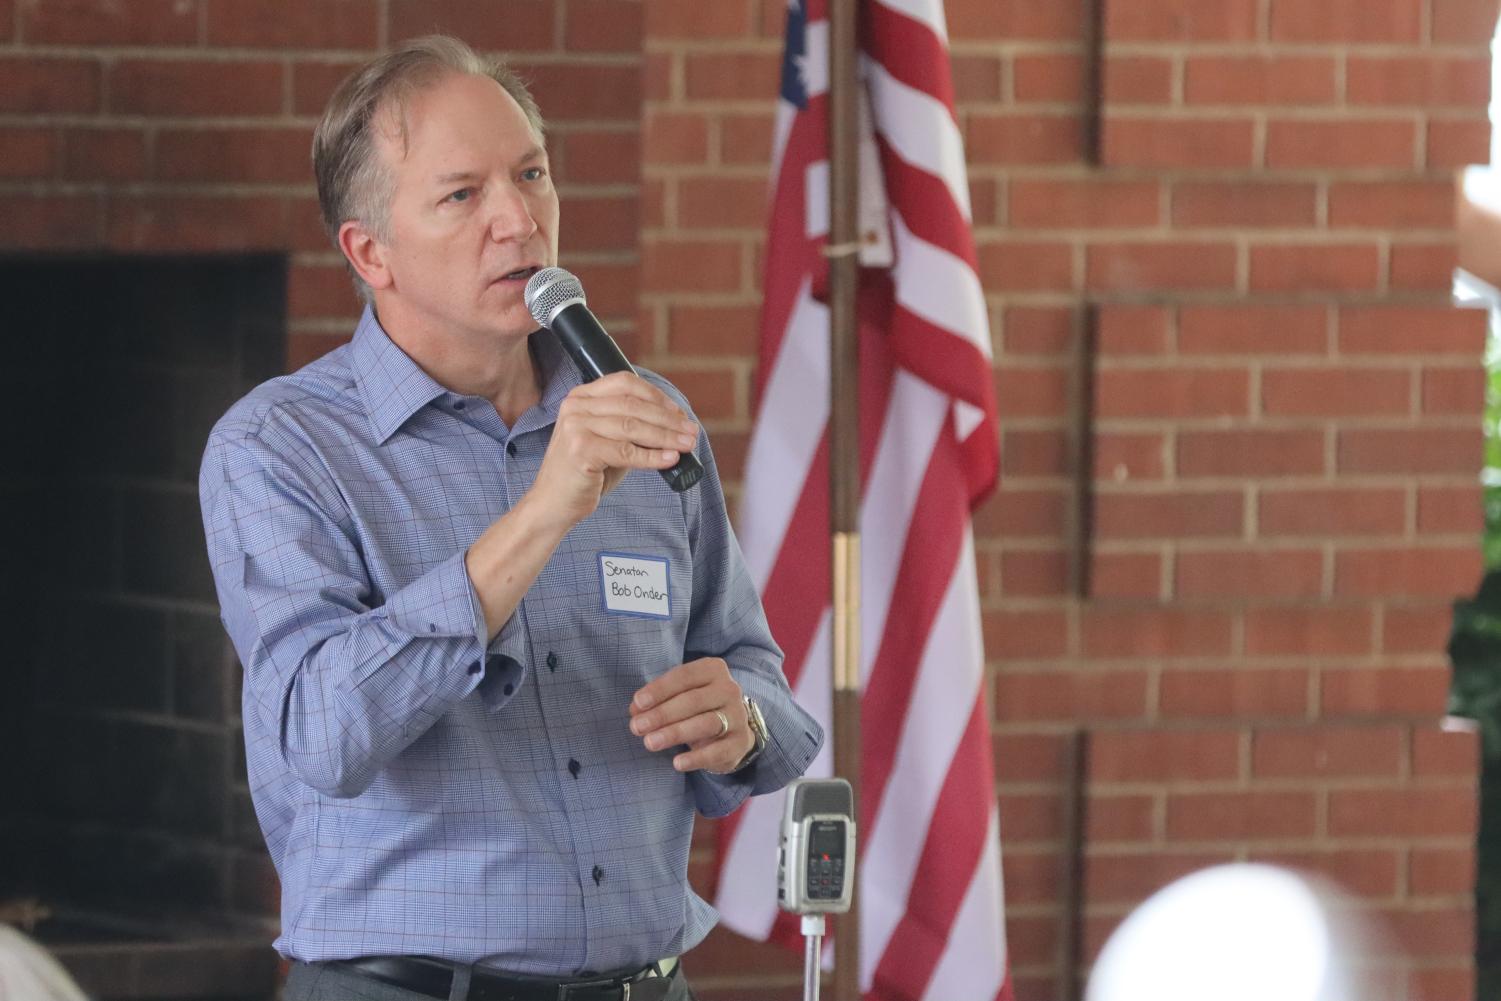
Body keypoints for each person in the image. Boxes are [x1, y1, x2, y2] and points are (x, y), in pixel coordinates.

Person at [199, 34, 822, 1001]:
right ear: (372, 253)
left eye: (531, 174)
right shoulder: (278, 448)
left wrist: (741, 719)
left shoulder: (637, 410)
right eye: (462, 194)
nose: (518, 218)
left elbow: (764, 683)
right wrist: (545, 510)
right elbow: (321, 733)